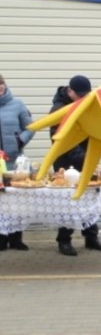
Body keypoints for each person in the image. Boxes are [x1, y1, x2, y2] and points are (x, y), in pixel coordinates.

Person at [50, 75, 101, 256]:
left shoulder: (87, 104)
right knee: (69, 202)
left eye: (86, 95)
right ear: (70, 91)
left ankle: (91, 237)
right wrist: (86, 158)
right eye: (80, 95)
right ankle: (64, 240)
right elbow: (64, 140)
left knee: (90, 197)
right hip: (65, 162)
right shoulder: (59, 110)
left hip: (85, 158)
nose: (83, 98)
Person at [0, 73, 35, 251]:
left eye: (1, 84)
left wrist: (20, 140)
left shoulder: (18, 104)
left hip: (14, 161)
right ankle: (1, 238)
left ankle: (16, 239)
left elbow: (30, 127)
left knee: (16, 201)